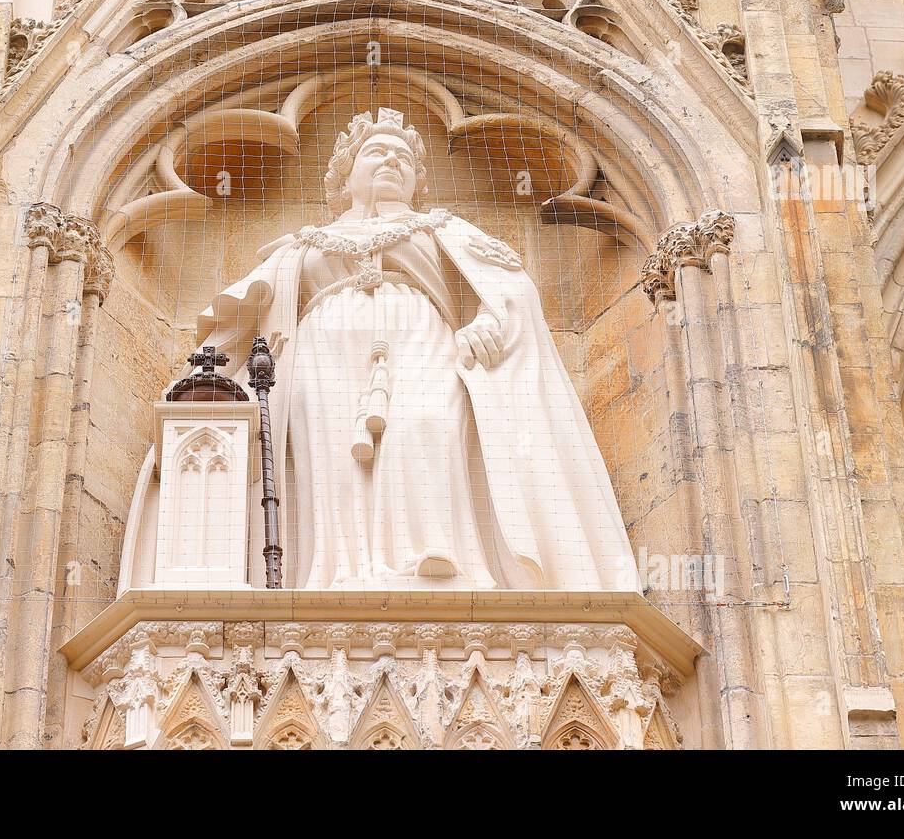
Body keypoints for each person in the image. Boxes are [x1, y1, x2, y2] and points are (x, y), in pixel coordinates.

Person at [191, 108, 638, 591]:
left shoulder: (443, 229)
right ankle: (340, 571)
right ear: (346, 176)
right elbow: (242, 315)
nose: (391, 162)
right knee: (333, 454)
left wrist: (488, 324)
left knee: (428, 426)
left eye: (403, 157)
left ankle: (436, 553)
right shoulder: (302, 245)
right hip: (324, 353)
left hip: (423, 340)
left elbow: (511, 288)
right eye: (376, 153)